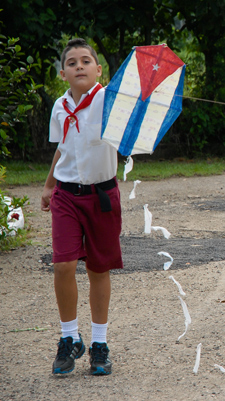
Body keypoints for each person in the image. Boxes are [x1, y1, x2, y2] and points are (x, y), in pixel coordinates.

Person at [41, 38, 121, 375]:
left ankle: (99, 344)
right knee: (63, 265)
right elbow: (62, 146)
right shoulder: (60, 106)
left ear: (98, 69)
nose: (79, 66)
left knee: (98, 269)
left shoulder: (109, 100)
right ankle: (68, 337)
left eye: (86, 61)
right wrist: (48, 185)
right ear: (63, 73)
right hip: (66, 196)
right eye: (72, 62)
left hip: (102, 196)